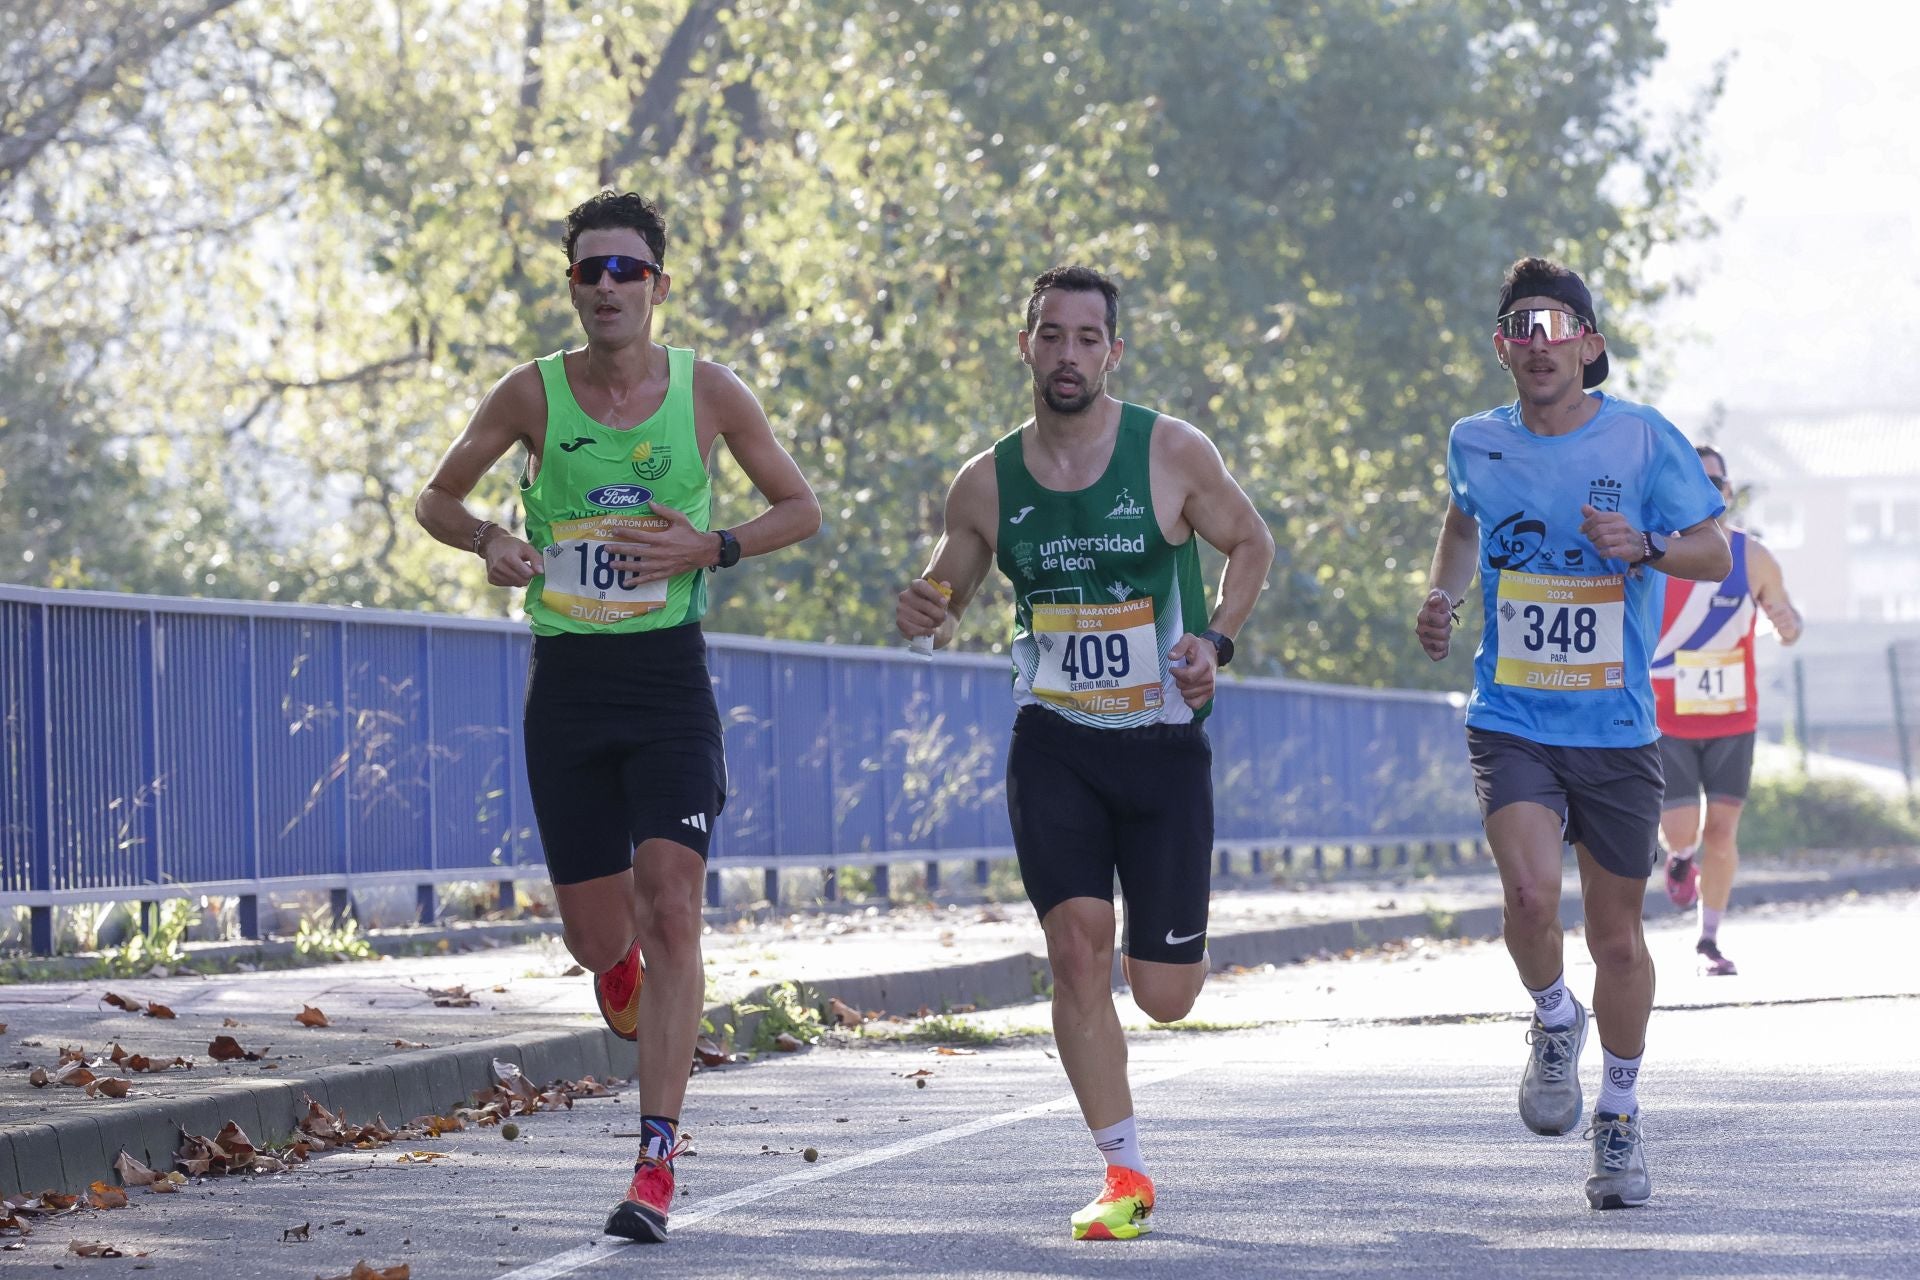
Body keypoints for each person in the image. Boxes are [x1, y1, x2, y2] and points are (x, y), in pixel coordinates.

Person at [413, 190, 820, 1242]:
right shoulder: (533, 394)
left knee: (673, 902)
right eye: (589, 271)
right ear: (572, 286)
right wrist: (490, 540)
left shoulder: (709, 392)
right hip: (569, 685)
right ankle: (618, 967)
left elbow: (800, 508)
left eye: (626, 270)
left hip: (667, 682)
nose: (607, 287)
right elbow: (436, 499)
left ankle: (656, 1160)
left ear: (658, 286)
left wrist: (712, 546)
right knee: (600, 939)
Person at [895, 265, 1274, 1240]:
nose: (1068, 354)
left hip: (1162, 746)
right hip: (1055, 741)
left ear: (1113, 351)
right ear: (1026, 345)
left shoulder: (1171, 451)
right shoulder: (987, 482)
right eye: (1051, 335)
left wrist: (1215, 640)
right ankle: (1122, 1170)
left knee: (1165, 994)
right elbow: (948, 592)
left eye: (1087, 337)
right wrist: (926, 611)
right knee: (1075, 949)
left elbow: (1251, 543)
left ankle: (1172, 952)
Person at [1416, 257, 1729, 1211]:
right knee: (1525, 894)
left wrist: (1646, 544)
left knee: (1618, 939)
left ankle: (1619, 1114)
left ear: (1588, 344)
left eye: (1556, 326)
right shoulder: (1476, 440)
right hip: (1512, 714)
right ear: (1502, 349)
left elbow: (1715, 551)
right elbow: (1462, 527)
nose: (1538, 343)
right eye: (1521, 328)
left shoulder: (1641, 438)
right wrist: (1443, 598)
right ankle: (1555, 1017)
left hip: (1615, 727)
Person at [1651, 445, 1803, 975]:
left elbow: (1787, 621)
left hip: (1733, 717)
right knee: (1682, 831)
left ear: (1728, 491)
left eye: (1715, 482)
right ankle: (1680, 859)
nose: (1705, 490)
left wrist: (1788, 625)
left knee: (1721, 833)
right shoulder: (1655, 551)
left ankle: (1708, 941)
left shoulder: (1753, 556)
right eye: (1693, 479)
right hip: (1667, 717)